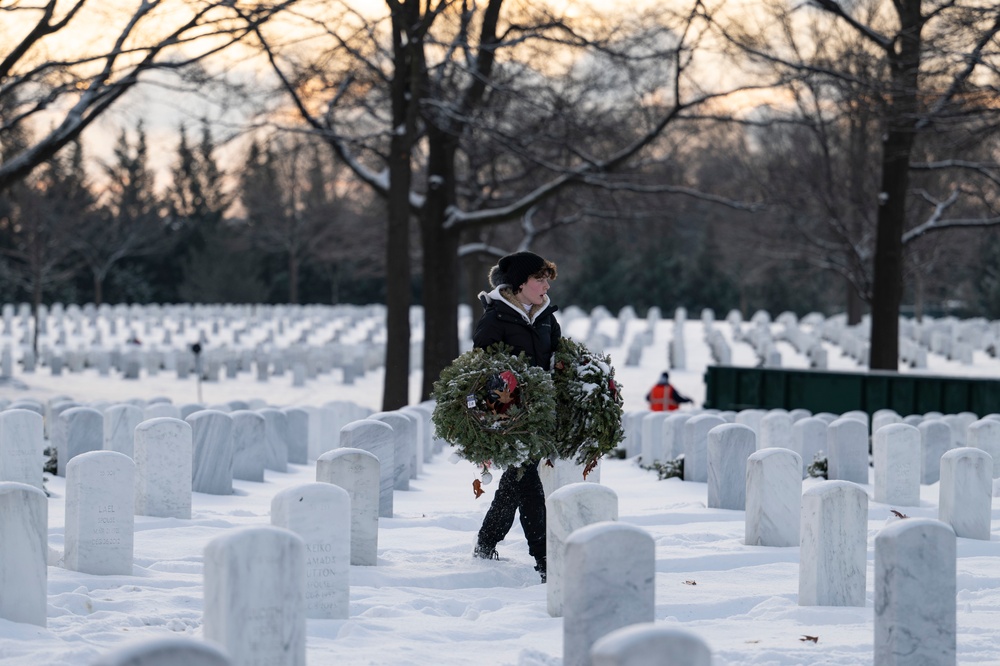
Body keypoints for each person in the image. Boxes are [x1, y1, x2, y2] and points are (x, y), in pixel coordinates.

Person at [471, 250, 560, 583]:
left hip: (539, 415)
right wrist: (495, 409)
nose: (545, 284)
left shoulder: (547, 316)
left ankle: (486, 540)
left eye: (547, 277)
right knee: (527, 483)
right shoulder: (496, 319)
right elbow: (479, 371)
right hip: (509, 415)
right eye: (539, 278)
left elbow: (557, 356)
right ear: (520, 283)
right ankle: (546, 560)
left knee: (515, 483)